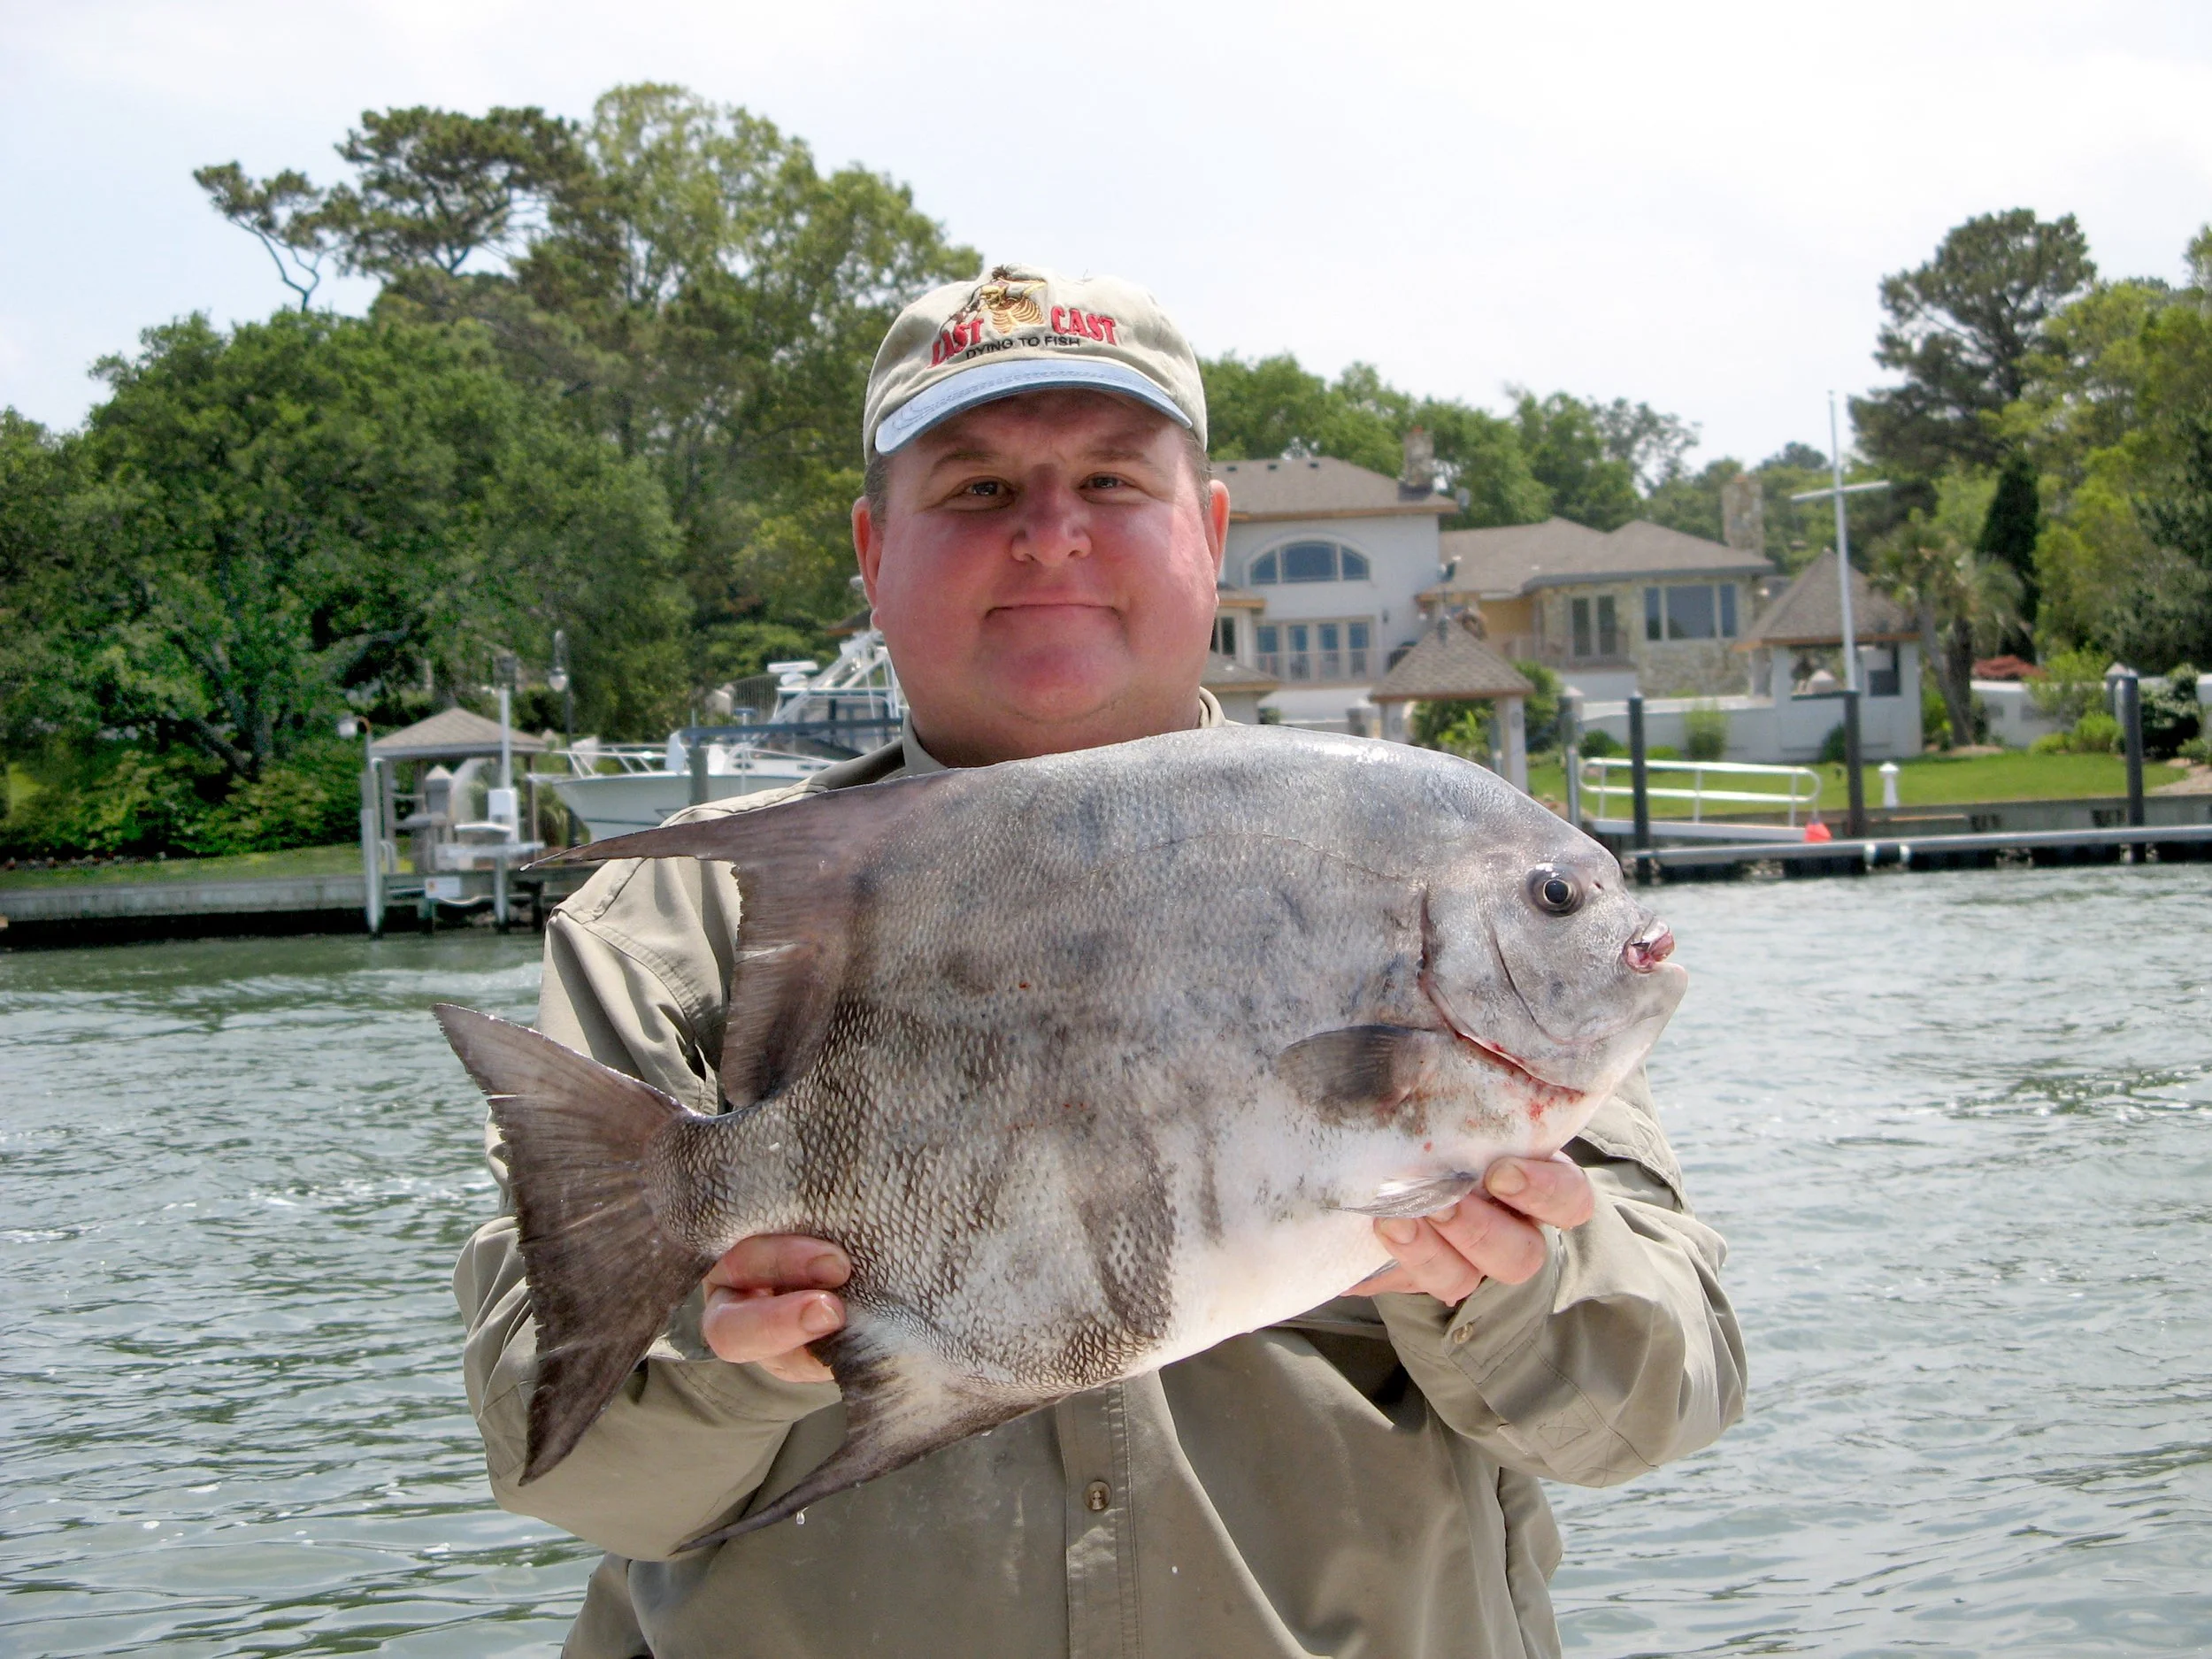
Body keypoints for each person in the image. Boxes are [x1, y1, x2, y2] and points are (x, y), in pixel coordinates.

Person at [455, 263, 1745, 1658]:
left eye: (1114, 483)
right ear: (873, 550)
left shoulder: (1427, 875)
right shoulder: (684, 910)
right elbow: (571, 1465)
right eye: (977, 491)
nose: (1051, 537)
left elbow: (1659, 1399)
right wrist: (731, 1354)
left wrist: (1497, 1285)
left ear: (1213, 530)